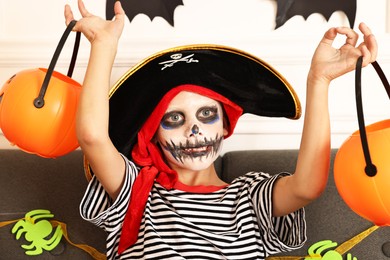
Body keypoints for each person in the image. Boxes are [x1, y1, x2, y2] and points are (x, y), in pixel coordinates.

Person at [64, 1, 378, 259]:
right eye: (173, 119)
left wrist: (319, 81)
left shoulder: (249, 197)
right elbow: (92, 136)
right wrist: (104, 45)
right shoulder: (136, 189)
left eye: (206, 115)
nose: (194, 130)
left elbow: (307, 187)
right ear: (152, 134)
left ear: (225, 123)